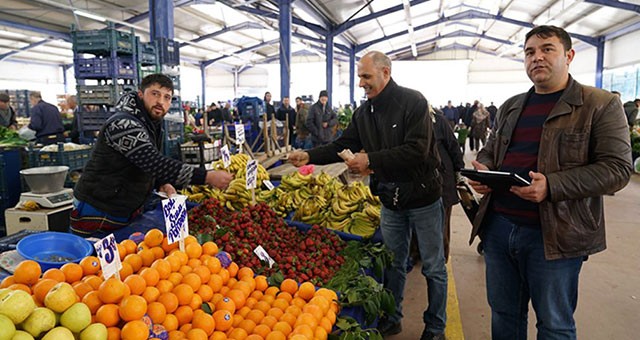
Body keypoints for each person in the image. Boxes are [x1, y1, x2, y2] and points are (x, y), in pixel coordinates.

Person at [467, 25, 631, 340]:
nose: (537, 58)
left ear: (568, 56)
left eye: (547, 49)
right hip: (499, 228)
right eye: (529, 52)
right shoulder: (512, 104)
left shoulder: (599, 104)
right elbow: (491, 149)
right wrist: (484, 168)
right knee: (504, 315)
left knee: (554, 324)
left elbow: (617, 169)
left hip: (555, 235)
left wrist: (552, 186)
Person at [289, 51, 447, 340]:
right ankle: (393, 317)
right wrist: (308, 154)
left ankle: (435, 327)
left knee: (434, 267)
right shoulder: (364, 113)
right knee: (394, 263)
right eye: (359, 77)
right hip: (389, 199)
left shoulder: (413, 102)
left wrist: (371, 160)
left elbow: (417, 150)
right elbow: (342, 144)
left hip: (422, 197)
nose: (361, 83)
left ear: (385, 73)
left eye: (366, 76)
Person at [72, 74, 234, 238]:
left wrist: (161, 182)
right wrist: (206, 176)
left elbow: (143, 161)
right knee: (95, 259)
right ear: (141, 94)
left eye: (167, 97)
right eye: (155, 94)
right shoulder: (123, 124)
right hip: (99, 209)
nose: (160, 102)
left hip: (126, 206)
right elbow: (153, 161)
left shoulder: (151, 123)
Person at [430, 104, 464, 262]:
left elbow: (453, 147)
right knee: (439, 219)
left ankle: (439, 256)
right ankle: (438, 257)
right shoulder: (438, 120)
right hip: (432, 180)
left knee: (441, 219)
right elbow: (454, 147)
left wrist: (459, 171)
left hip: (442, 178)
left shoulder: (438, 120)